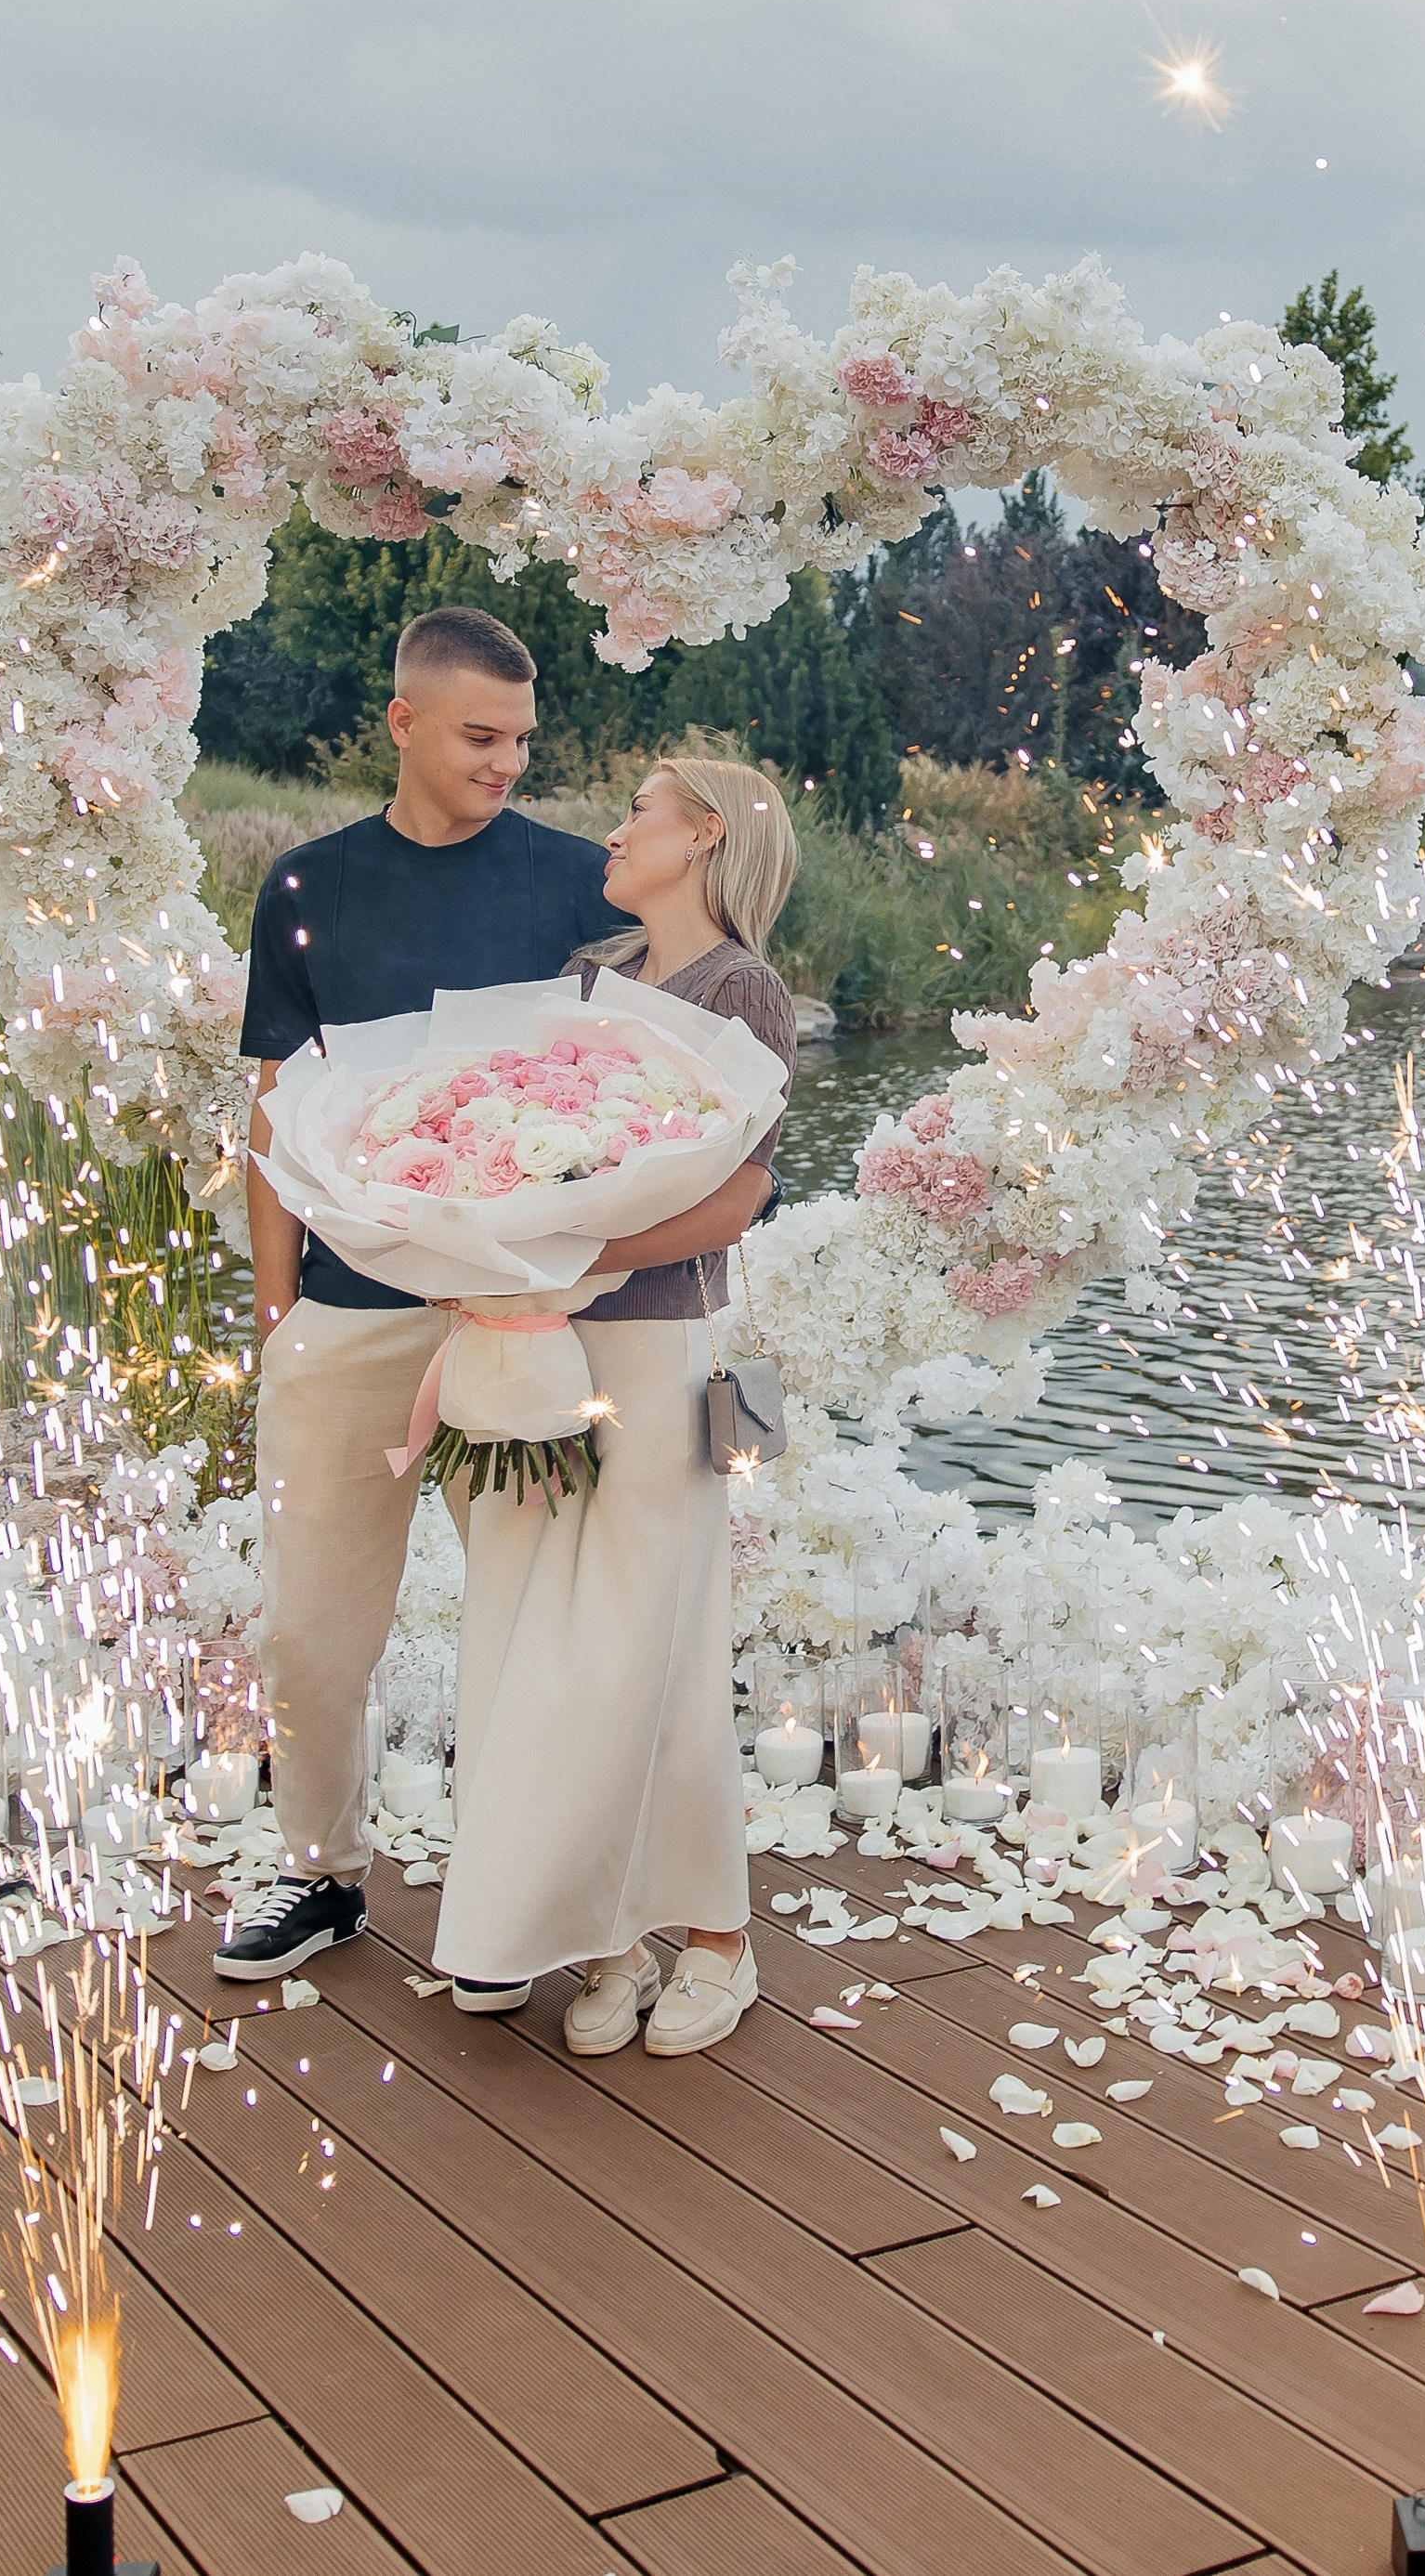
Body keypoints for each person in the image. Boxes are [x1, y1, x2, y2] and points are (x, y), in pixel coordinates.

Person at [216, 607, 614, 1984]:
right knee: (311, 1628)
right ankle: (320, 1874)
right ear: (402, 722)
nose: (508, 762)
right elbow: (274, 1113)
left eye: (523, 739)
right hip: (347, 1312)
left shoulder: (579, 882)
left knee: (528, 1613)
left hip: (514, 1320)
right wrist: (281, 1317)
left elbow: (631, 1086)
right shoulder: (307, 885)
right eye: (480, 736)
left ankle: (514, 1906)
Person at [430, 754, 800, 2057]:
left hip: (652, 1350)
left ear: (703, 834)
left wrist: (581, 1257)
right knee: (548, 1639)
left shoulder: (741, 989)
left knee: (655, 1643)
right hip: (539, 1348)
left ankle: (719, 1940)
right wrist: (493, 1246)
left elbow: (739, 1192)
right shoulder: (592, 978)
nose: (616, 827)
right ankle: (608, 1932)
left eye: (640, 809)